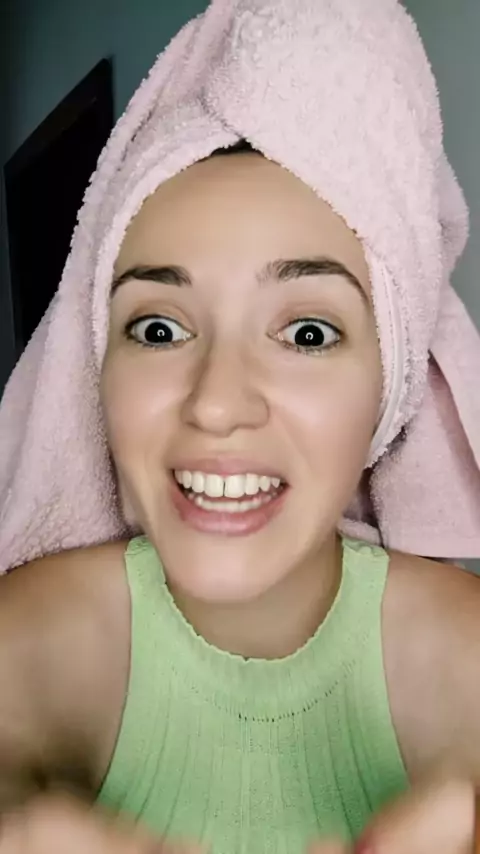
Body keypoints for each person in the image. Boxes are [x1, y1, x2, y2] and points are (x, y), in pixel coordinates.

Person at [0, 0, 479, 853]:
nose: (216, 403)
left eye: (308, 334)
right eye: (158, 329)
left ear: (393, 386)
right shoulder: (22, 644)